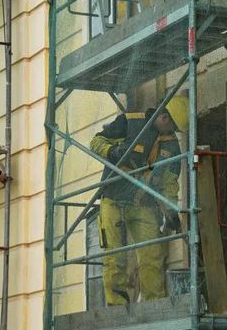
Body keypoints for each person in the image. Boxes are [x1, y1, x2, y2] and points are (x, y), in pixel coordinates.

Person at [90, 96, 190, 306]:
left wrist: (171, 211)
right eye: (172, 126)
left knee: (152, 256)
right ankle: (116, 307)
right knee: (115, 257)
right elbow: (96, 141)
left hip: (142, 204)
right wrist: (112, 151)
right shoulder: (129, 122)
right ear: (164, 117)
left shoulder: (171, 145)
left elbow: (169, 183)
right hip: (113, 200)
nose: (173, 133)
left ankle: (153, 305)